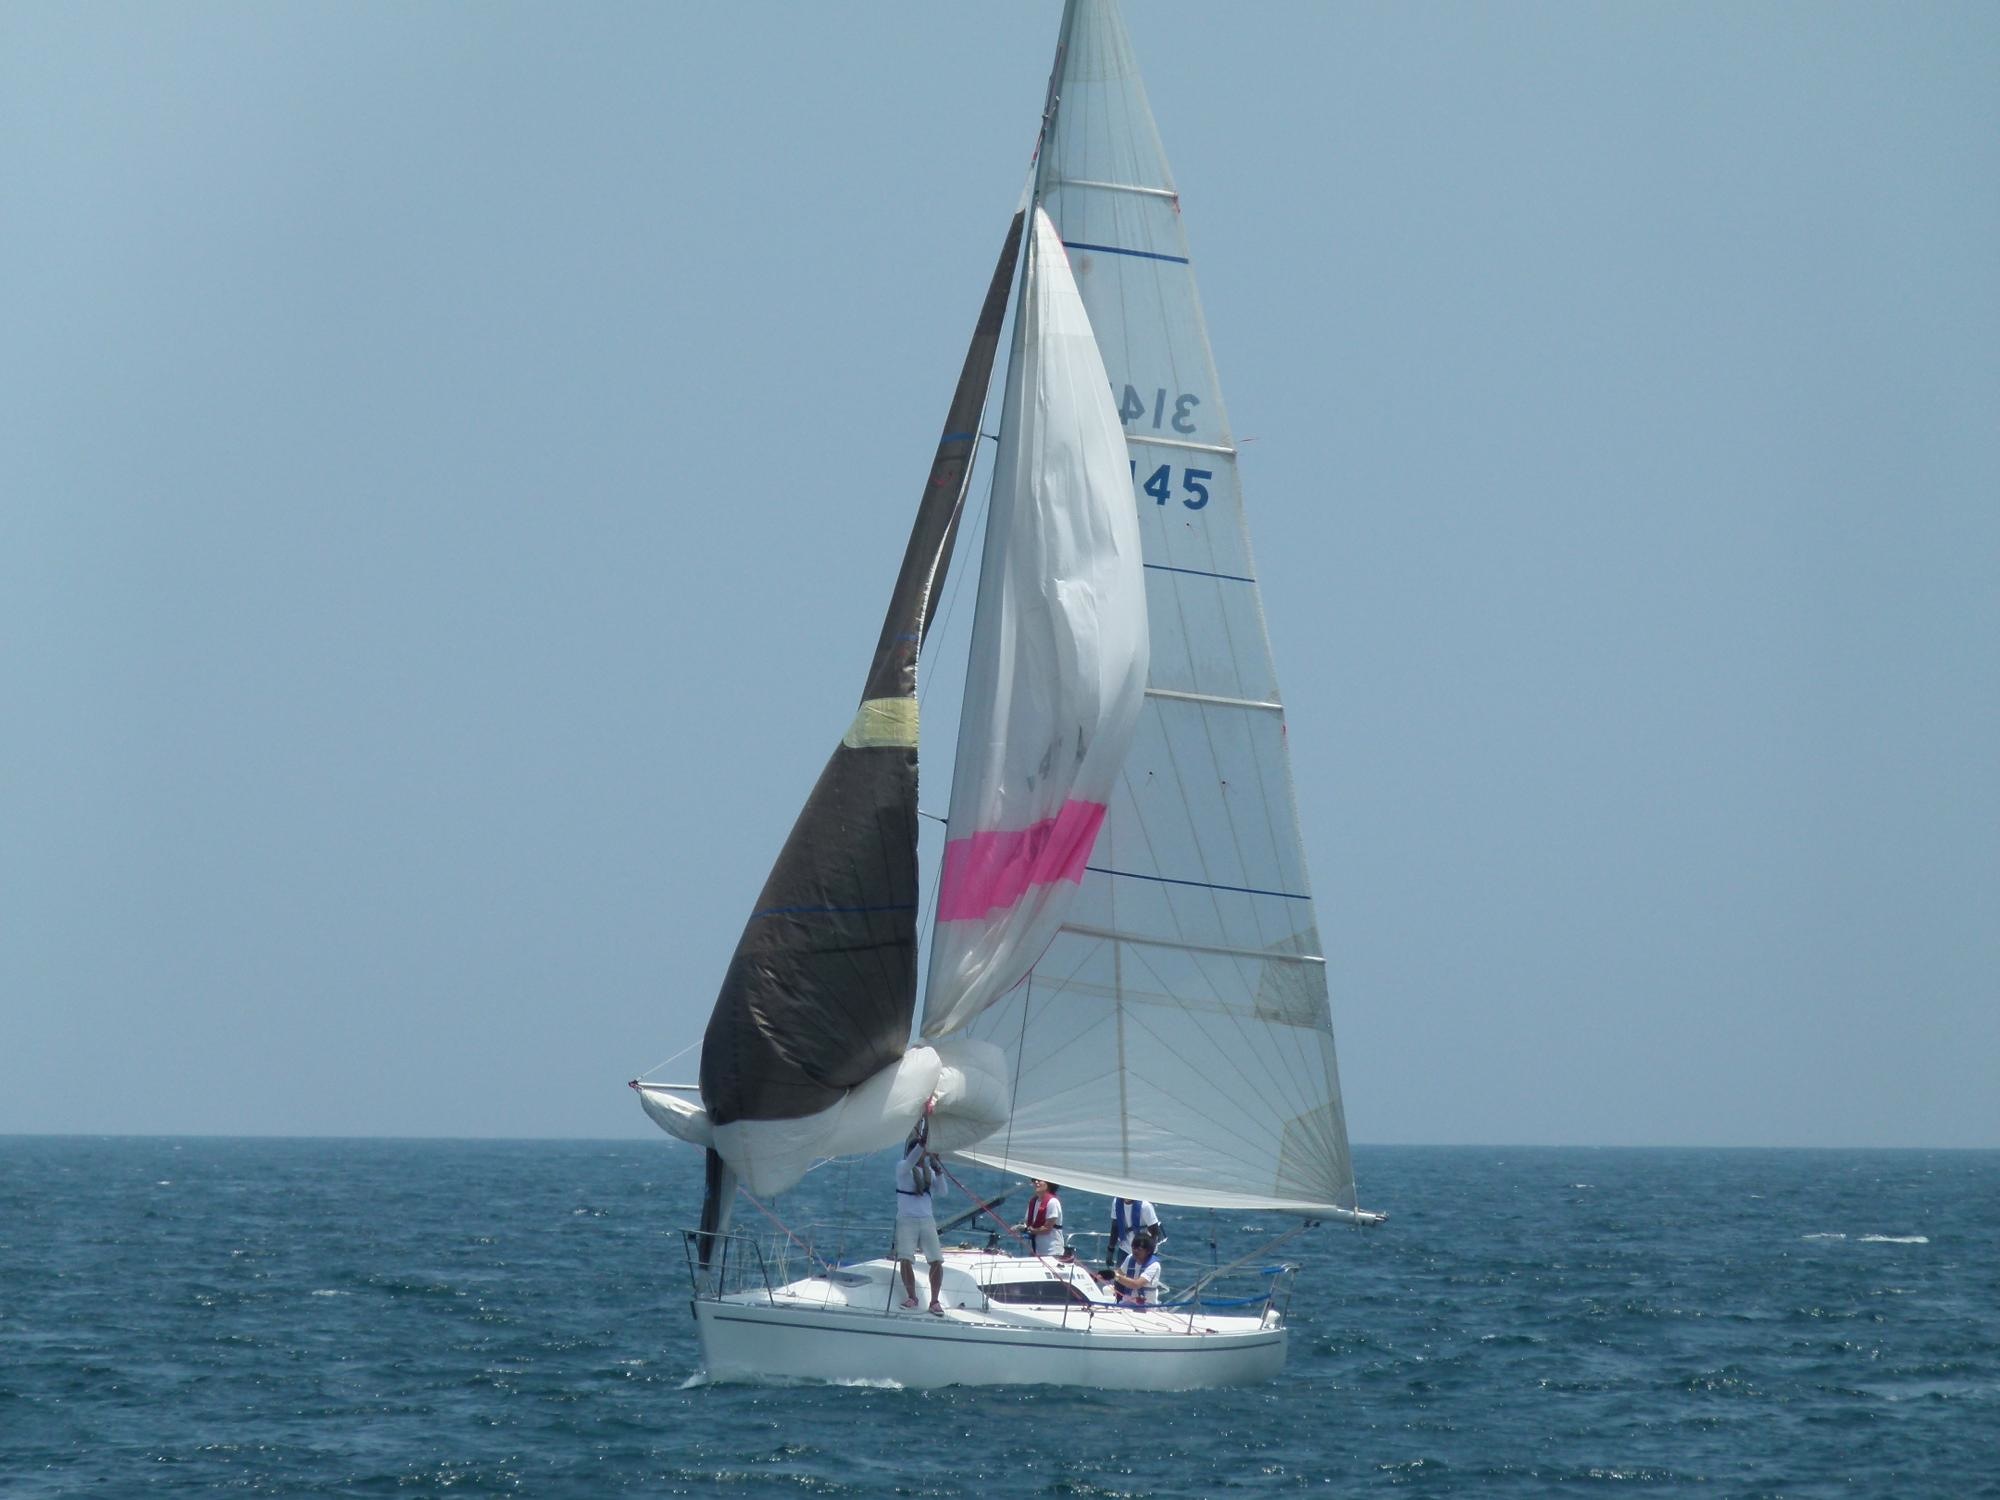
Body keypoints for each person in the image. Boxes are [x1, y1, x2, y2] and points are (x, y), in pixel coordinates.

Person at [894, 1099, 947, 1314]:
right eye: (915, 1151)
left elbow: (943, 1192)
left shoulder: (929, 1172)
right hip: (907, 1219)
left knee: (936, 1260)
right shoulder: (902, 1168)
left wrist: (939, 1171)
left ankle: (934, 1301)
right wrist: (923, 1141)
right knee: (905, 1258)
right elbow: (912, 1158)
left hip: (926, 1219)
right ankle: (912, 1297)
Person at [1110, 1228, 1165, 1307]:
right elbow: (1119, 1273)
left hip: (1146, 1305)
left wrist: (1115, 1276)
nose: (1135, 1251)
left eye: (1139, 1249)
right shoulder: (1130, 1258)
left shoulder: (1154, 1265)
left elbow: (1136, 1284)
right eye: (1133, 1248)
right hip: (1127, 1302)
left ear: (1148, 1251)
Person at [1105, 1196, 1163, 1270]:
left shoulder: (1145, 1206)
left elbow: (1155, 1233)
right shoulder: (1116, 1202)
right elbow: (1115, 1228)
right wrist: (1110, 1250)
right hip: (1125, 1249)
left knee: (1141, 1277)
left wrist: (1148, 1254)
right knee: (1119, 1276)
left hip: (1143, 1251)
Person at [1014, 1179, 1064, 1258]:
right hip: (1035, 1251)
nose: (1036, 1182)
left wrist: (1030, 1230)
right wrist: (1020, 1228)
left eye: (1040, 1180)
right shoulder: (1033, 1202)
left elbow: (1047, 1228)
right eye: (1034, 1180)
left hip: (1051, 1251)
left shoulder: (1053, 1202)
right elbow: (1027, 1223)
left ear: (1049, 1183)